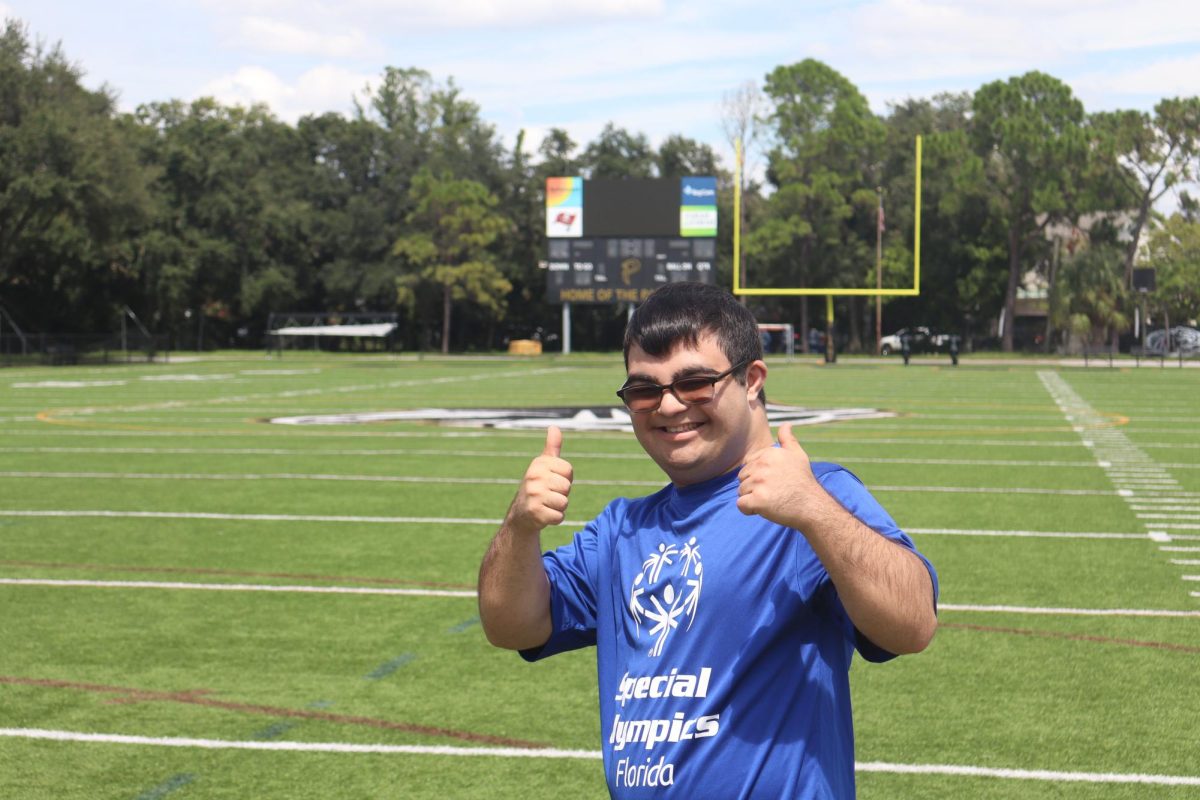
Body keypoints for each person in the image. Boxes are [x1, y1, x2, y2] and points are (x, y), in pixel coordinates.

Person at [478, 282, 938, 798]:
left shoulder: (817, 496)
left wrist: (812, 511)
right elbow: (511, 625)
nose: (669, 407)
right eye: (644, 390)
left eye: (695, 383)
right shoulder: (621, 528)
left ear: (752, 381)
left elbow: (914, 624)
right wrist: (519, 527)